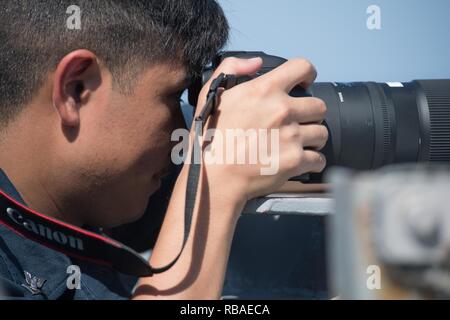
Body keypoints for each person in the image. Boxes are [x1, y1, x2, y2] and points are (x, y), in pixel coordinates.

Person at [0, 0, 328, 300]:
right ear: (77, 89)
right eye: (174, 95)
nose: (183, 134)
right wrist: (217, 181)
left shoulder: (98, 196)